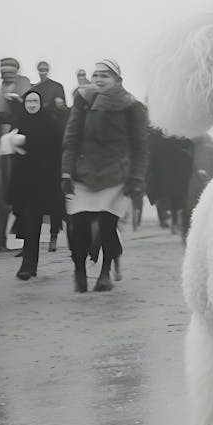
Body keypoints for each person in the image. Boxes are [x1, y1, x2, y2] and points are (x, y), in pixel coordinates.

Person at [61, 59, 148, 292]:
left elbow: (140, 145)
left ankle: (105, 272)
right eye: (95, 75)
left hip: (116, 174)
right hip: (83, 172)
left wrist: (137, 176)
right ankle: (79, 269)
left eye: (105, 76)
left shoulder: (132, 107)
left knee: (108, 227)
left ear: (118, 80)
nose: (98, 80)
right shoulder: (83, 100)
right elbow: (71, 138)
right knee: (77, 227)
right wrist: (66, 172)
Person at [7, 90, 65, 278]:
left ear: (41, 103)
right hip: (26, 181)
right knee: (31, 223)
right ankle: (28, 265)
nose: (32, 104)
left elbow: (58, 148)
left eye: (35, 101)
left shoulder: (51, 123)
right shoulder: (20, 121)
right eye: (29, 101)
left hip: (48, 180)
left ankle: (81, 257)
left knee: (65, 217)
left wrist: (28, 144)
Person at [146, 127, 193, 233]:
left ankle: (169, 220)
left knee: (165, 197)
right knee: (175, 197)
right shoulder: (174, 135)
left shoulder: (153, 138)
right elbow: (187, 144)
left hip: (162, 172)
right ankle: (173, 221)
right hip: (173, 172)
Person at [0, 57, 31, 127]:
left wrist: (16, 97)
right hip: (5, 119)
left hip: (21, 118)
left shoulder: (24, 80)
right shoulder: (3, 84)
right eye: (4, 72)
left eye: (10, 72)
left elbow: (27, 100)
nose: (7, 75)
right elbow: (1, 107)